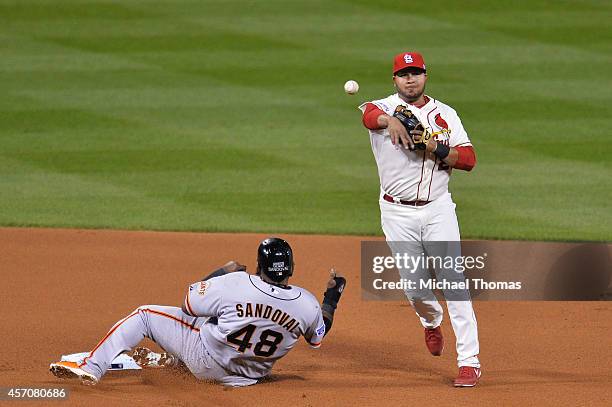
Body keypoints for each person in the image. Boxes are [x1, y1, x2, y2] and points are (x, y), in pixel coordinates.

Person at [49, 237, 346, 386]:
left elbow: (188, 305)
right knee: (221, 317)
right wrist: (331, 296)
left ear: (259, 266)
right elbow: (318, 334)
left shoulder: (236, 282)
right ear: (291, 269)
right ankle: (173, 361)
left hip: (206, 362)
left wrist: (221, 271)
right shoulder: (306, 304)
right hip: (247, 378)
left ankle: (92, 366)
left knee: (145, 315)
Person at [358, 52, 481, 387]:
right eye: (403, 74)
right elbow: (369, 117)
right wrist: (391, 121)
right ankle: (431, 321)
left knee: (454, 282)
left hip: (439, 208)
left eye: (416, 73)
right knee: (415, 287)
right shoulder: (382, 106)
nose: (410, 79)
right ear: (394, 79)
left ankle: (469, 362)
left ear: (426, 75)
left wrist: (436, 148)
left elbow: (469, 159)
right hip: (397, 212)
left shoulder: (446, 114)